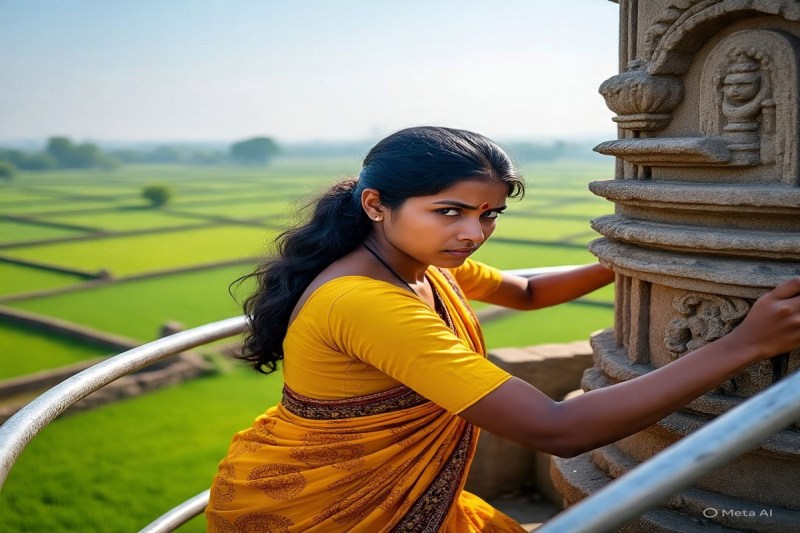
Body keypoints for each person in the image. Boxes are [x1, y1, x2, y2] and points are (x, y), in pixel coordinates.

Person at [205, 126, 800, 532]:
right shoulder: (366, 300)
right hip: (328, 507)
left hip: (392, 494)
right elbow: (554, 428)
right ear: (376, 205)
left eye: (489, 214)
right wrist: (746, 345)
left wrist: (634, 257)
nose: (472, 233)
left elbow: (529, 292)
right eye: (450, 211)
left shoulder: (417, 266)